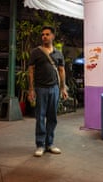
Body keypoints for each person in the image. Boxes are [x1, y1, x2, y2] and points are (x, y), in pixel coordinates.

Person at [27, 25, 68, 157]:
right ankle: (40, 145)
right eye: (42, 34)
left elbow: (61, 71)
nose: (44, 36)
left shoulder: (58, 53)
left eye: (47, 34)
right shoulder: (36, 52)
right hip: (40, 88)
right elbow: (31, 70)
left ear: (52, 36)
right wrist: (31, 89)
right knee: (40, 117)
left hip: (54, 89)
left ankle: (49, 144)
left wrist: (63, 88)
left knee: (52, 117)